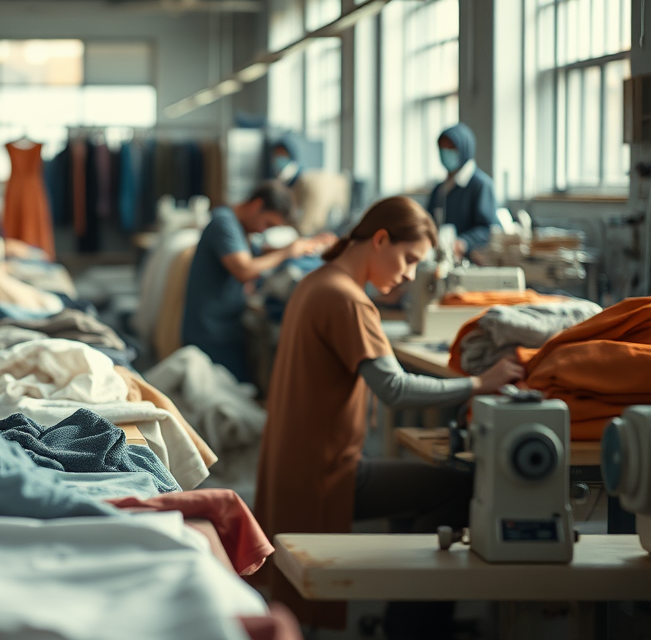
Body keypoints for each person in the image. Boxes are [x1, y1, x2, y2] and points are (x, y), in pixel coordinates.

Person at [254, 196, 524, 637]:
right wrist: (480, 383)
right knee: (460, 487)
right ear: (380, 240)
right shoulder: (347, 300)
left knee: (425, 488)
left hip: (296, 466)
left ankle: (406, 614)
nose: (410, 275)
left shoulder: (318, 282)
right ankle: (411, 627)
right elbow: (395, 389)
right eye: (408, 259)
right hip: (327, 473)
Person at [180, 181, 336, 382]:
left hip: (224, 328)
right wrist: (289, 251)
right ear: (257, 205)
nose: (264, 230)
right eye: (268, 223)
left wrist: (306, 244)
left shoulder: (241, 228)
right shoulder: (224, 222)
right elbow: (244, 269)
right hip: (210, 332)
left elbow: (260, 252)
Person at [427, 123, 497, 259]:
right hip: (440, 256)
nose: (445, 152)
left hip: (470, 260)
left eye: (451, 147)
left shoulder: (480, 185)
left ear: (463, 149)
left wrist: (464, 242)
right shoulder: (440, 189)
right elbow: (428, 220)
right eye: (442, 148)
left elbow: (489, 228)